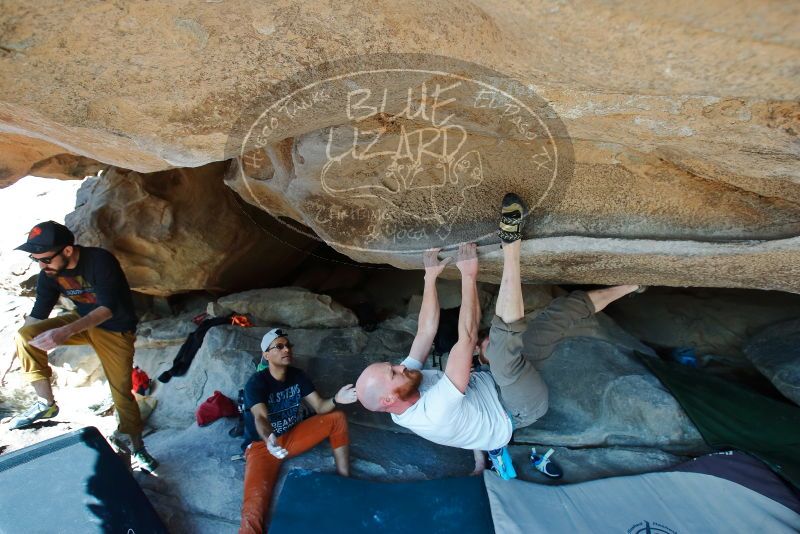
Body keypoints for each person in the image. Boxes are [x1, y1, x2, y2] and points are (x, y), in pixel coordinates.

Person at [355, 194, 641, 476]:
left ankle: (632, 285)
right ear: (389, 400)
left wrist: (430, 277)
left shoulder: (402, 386)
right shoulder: (432, 413)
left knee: (555, 317)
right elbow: (465, 338)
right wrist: (468, 275)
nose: (401, 366)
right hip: (516, 409)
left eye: (392, 366)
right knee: (500, 352)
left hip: (496, 381)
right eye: (394, 373)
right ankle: (511, 245)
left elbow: (425, 332)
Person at [9, 220, 158, 472]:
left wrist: (64, 332)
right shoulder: (50, 273)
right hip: (82, 321)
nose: (41, 265)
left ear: (67, 251)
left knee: (121, 391)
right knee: (25, 335)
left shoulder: (99, 261)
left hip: (115, 329)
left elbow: (107, 309)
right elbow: (38, 313)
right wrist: (25, 341)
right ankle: (46, 405)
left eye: (44, 259)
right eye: (36, 260)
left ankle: (136, 446)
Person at [240, 327, 358, 534]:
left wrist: (336, 399)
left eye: (288, 345)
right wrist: (269, 439)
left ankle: (344, 477)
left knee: (336, 418)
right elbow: (260, 417)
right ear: (266, 355)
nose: (286, 349)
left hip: (291, 436)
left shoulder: (297, 375)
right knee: (253, 510)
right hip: (263, 446)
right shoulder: (256, 383)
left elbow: (320, 406)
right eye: (279, 346)